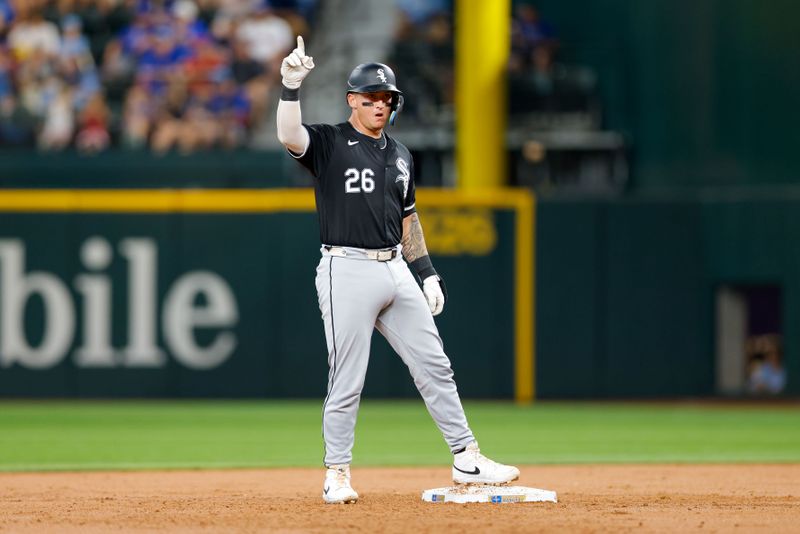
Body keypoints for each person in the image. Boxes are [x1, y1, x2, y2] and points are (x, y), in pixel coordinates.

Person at [276, 36, 520, 505]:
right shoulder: (329, 142)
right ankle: (338, 473)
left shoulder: (401, 154)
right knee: (347, 377)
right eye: (370, 98)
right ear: (352, 100)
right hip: (345, 266)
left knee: (435, 365)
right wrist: (290, 88)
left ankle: (466, 456)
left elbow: (408, 217)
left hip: (394, 267)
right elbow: (290, 136)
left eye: (387, 99)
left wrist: (425, 271)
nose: (379, 106)